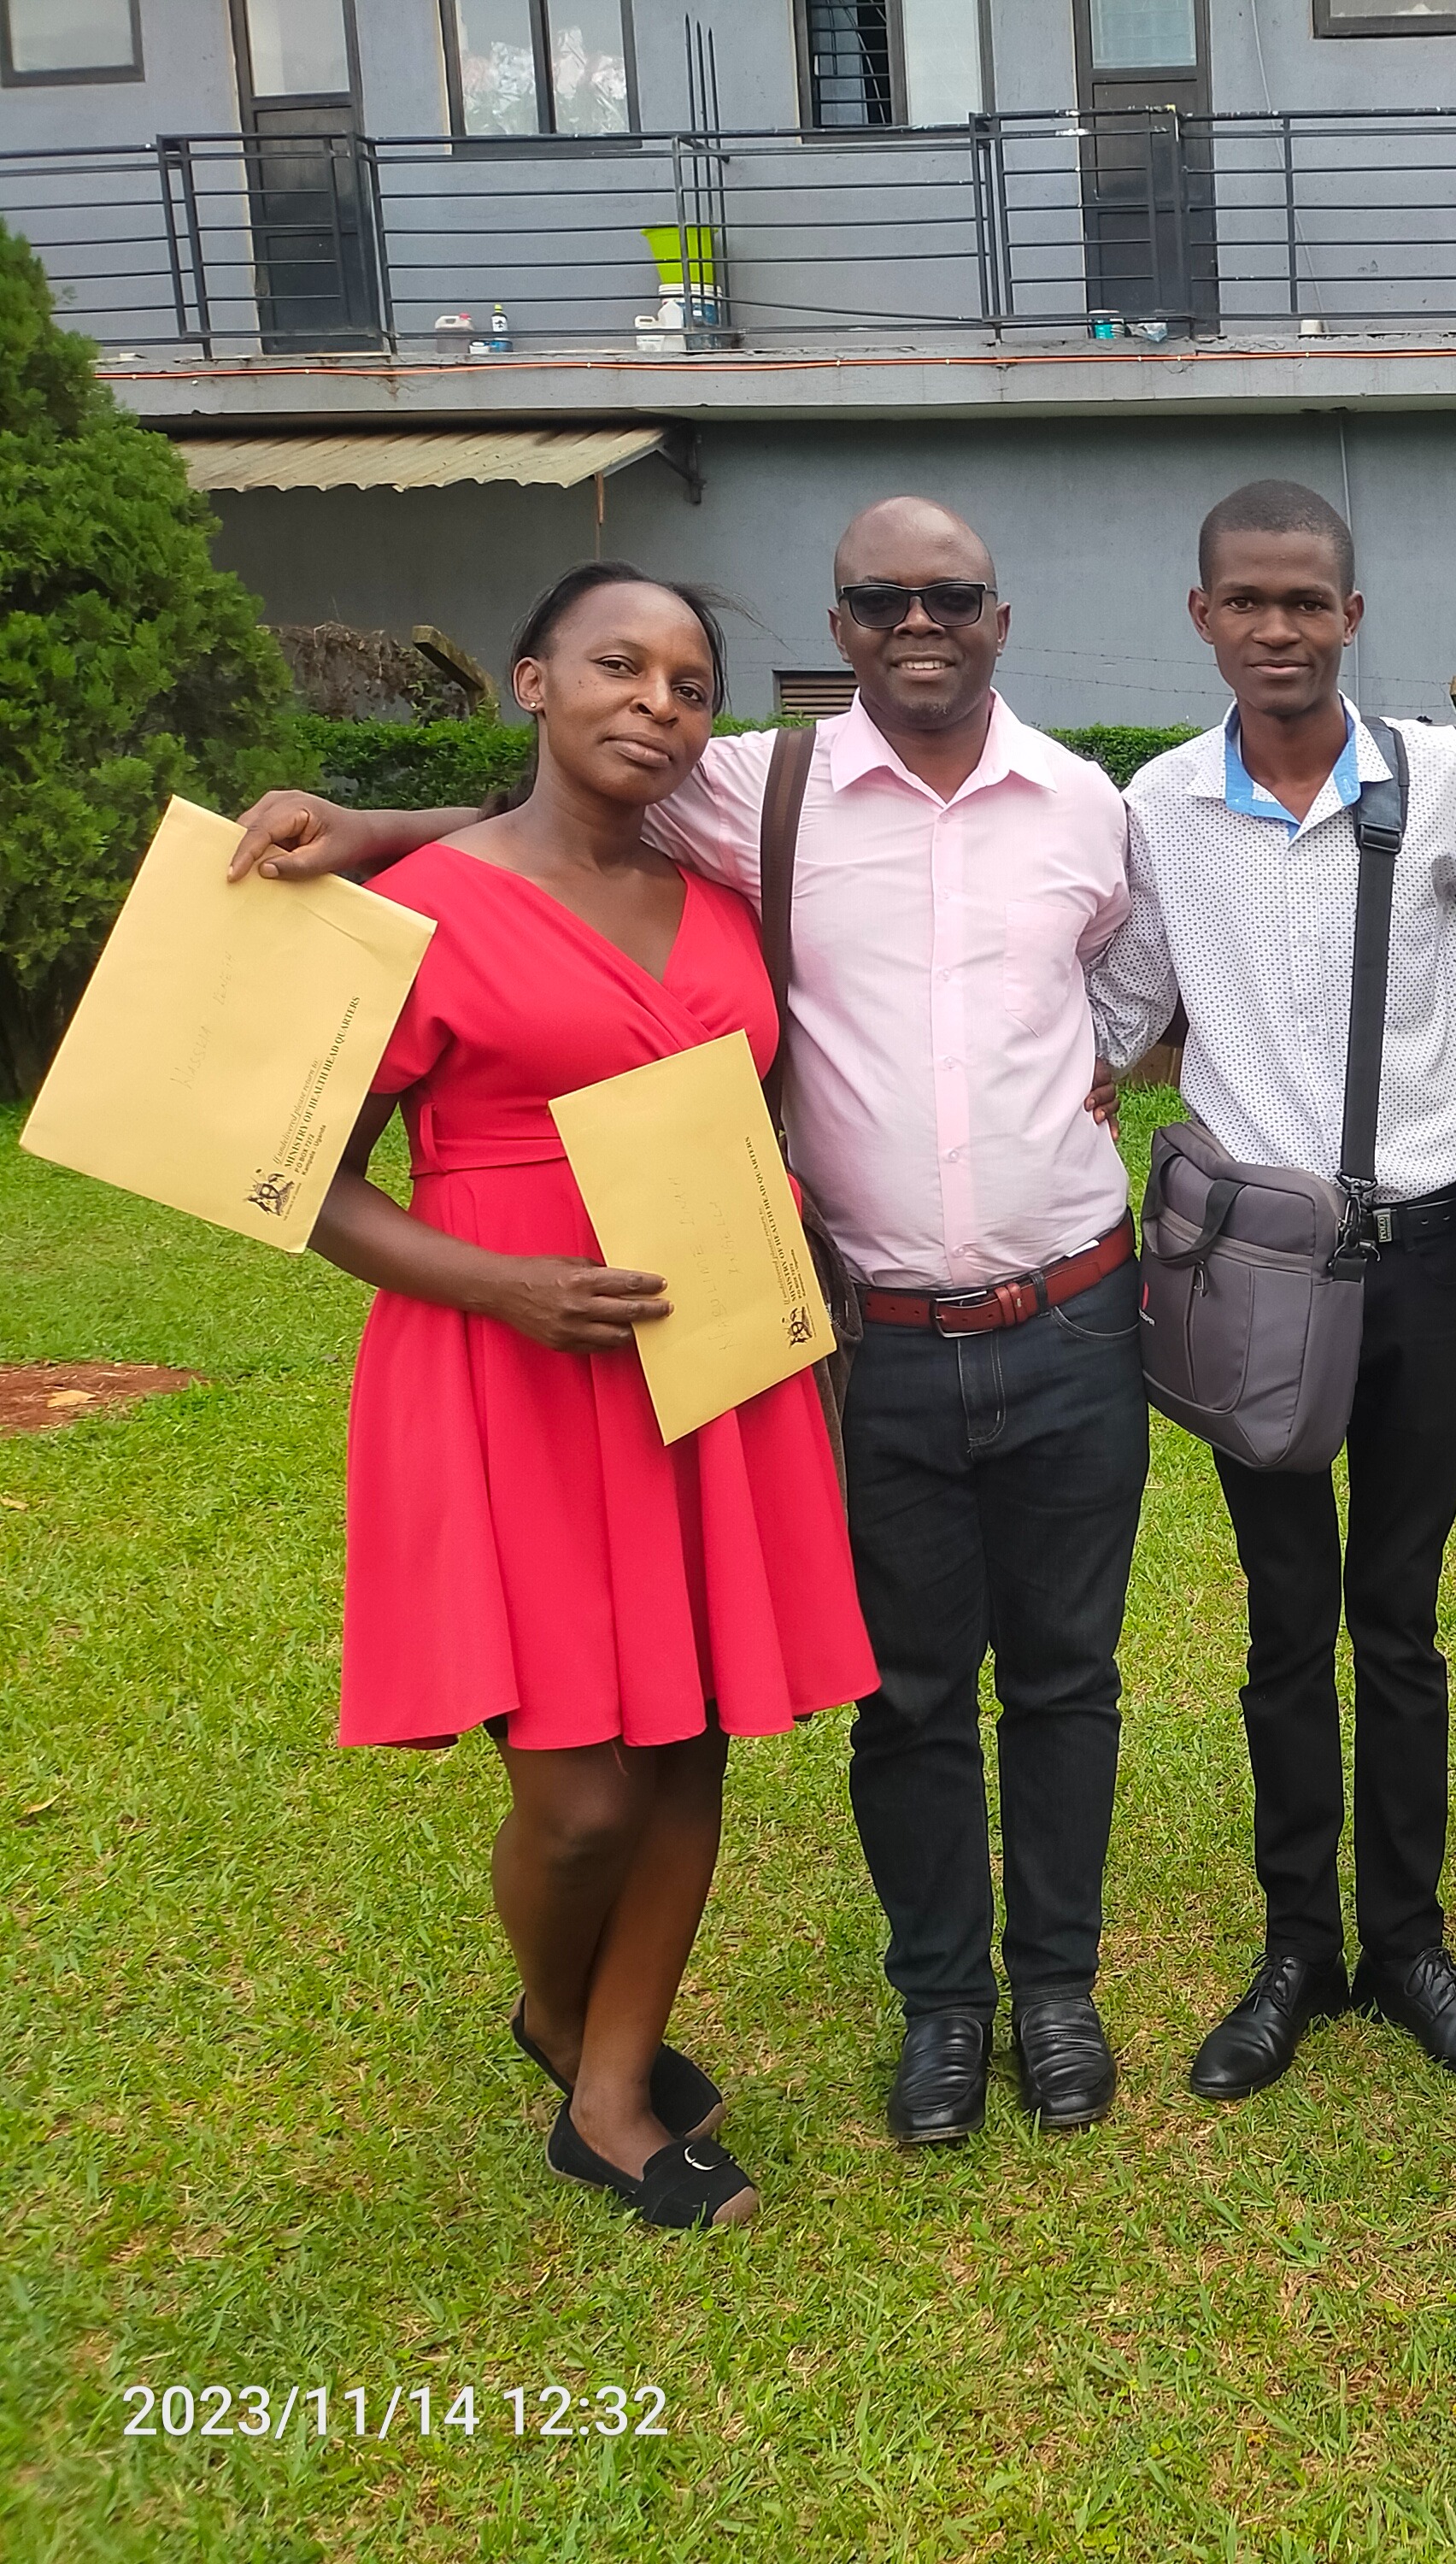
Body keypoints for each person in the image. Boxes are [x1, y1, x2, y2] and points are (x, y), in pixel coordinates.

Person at [237, 499, 1147, 2150]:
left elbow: (1126, 976)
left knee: (1043, 1681)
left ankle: (1048, 1999)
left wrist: (1099, 1069)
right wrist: (367, 827)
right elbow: (534, 831)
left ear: (1001, 617)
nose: (655, 705)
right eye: (880, 595)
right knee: (888, 1701)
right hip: (750, 1341)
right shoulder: (762, 798)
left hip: (921, 1331)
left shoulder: (1076, 806)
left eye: (952, 593)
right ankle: (935, 2010)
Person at [296, 563, 878, 2231]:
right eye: (618, 666)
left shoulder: (721, 901)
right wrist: (505, 1287)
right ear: (531, 681)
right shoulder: (416, 911)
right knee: (576, 1798)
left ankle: (610, 2092)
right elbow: (306, 1180)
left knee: (688, 1748)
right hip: (507, 1370)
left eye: (690, 686)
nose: (657, 704)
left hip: (705, 1365)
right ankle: (556, 2014)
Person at [1101, 480, 1456, 2102]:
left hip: (1422, 1252)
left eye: (1306, 601)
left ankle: (1409, 1943)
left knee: (1399, 1616)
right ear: (1201, 614)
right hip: (1251, 1275)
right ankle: (1298, 1945)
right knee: (1286, 1618)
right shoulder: (1156, 806)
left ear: (1353, 616)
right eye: (1247, 601)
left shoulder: (1444, 784)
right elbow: (1121, 1009)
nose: (1276, 628)